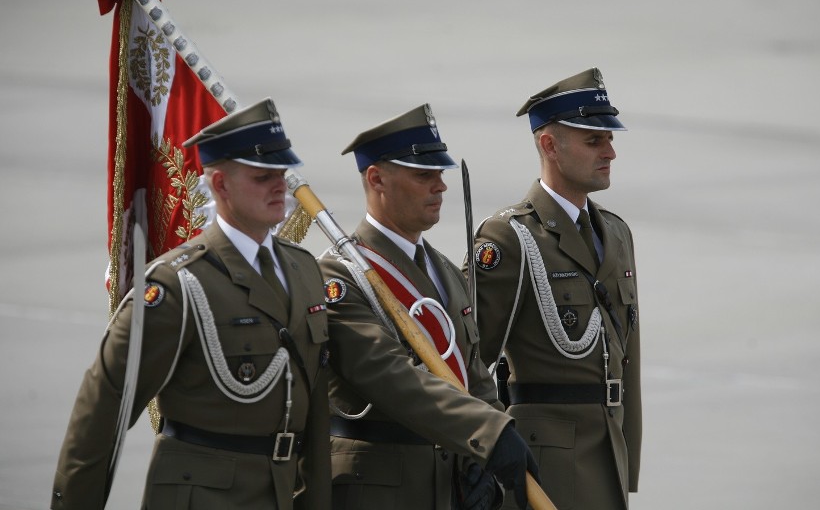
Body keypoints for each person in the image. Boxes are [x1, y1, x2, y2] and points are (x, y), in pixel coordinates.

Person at [51, 98, 331, 510]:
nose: (280, 186)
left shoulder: (304, 270)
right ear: (220, 185)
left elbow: (315, 408)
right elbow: (102, 411)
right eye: (262, 176)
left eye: (281, 173)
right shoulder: (177, 284)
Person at [317, 104, 539, 510]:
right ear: (376, 178)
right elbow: (390, 377)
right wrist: (486, 432)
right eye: (424, 175)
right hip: (381, 489)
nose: (441, 186)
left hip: (448, 485)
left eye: (441, 174)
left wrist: (486, 450)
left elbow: (474, 372)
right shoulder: (339, 276)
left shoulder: (445, 271)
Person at [466, 68, 642, 509]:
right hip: (543, 467)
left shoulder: (616, 233)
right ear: (549, 144)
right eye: (593, 141)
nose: (611, 152)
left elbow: (627, 359)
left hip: (608, 456)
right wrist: (479, 459)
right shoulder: (508, 237)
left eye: (609, 139)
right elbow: (469, 364)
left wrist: (628, 463)